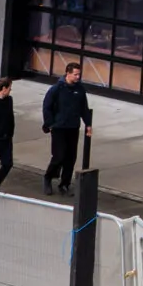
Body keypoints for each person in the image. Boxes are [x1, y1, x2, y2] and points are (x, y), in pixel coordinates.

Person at [41, 63, 94, 195]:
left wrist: (88, 124)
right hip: (59, 127)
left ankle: (65, 184)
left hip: (73, 127)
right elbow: (47, 107)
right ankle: (48, 177)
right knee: (59, 155)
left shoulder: (80, 89)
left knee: (70, 157)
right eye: (75, 74)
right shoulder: (56, 89)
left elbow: (84, 108)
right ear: (68, 73)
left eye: (79, 74)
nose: (78, 77)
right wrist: (50, 124)